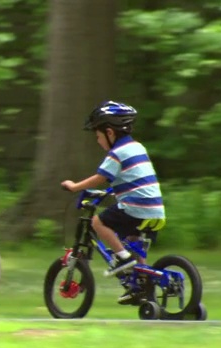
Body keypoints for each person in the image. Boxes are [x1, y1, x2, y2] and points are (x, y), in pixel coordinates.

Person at [60, 101, 166, 304]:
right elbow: (133, 178)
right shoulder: (137, 147)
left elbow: (101, 177)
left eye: (98, 136)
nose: (98, 141)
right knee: (134, 243)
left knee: (98, 222)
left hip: (136, 207)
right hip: (155, 210)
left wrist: (75, 187)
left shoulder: (117, 153)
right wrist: (111, 190)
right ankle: (140, 287)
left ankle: (123, 259)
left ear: (110, 132)